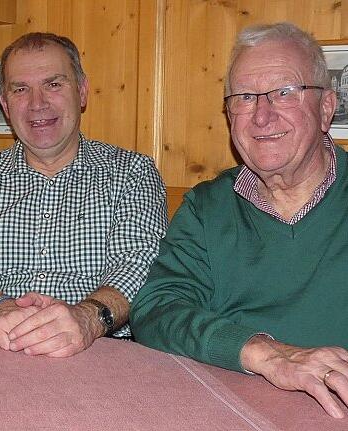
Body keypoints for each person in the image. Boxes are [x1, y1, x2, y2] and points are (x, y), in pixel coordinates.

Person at [130, 22, 348, 419]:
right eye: (245, 97)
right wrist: (266, 354)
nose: (262, 116)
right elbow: (156, 311)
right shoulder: (206, 206)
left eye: (284, 92)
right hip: (223, 410)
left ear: (326, 108)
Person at [0, 33, 167, 358]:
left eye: (53, 84)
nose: (37, 103)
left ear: (81, 92)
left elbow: (142, 267)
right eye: (20, 89)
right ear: (6, 105)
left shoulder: (131, 174)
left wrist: (85, 319)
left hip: (102, 351)